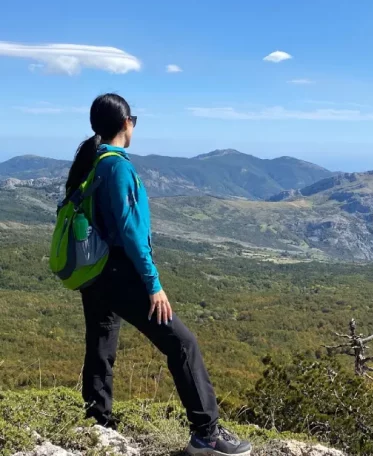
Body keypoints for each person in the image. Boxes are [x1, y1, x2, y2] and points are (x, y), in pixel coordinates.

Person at [66, 93, 252, 456]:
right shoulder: (116, 166)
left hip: (95, 273)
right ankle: (207, 433)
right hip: (121, 271)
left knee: (101, 348)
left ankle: (97, 424)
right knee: (182, 343)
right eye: (133, 119)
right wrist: (153, 285)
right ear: (126, 124)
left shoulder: (92, 163)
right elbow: (131, 231)